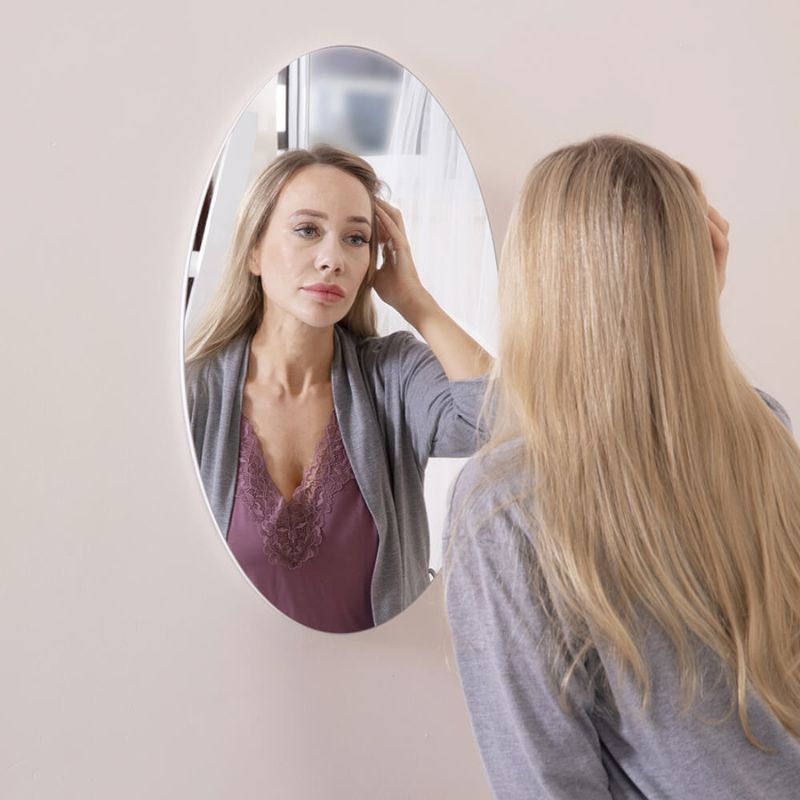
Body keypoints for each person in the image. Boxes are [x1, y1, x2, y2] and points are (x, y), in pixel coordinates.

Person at [444, 135, 800, 798]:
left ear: (535, 282)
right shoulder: (765, 433)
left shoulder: (503, 504)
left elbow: (546, 783)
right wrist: (680, 306)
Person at [185, 144, 492, 633]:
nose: (333, 260)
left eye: (355, 238)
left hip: (380, 689)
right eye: (307, 230)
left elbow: (497, 421)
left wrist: (415, 300)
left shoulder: (390, 375)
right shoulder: (192, 397)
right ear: (254, 251)